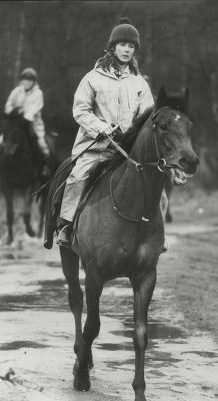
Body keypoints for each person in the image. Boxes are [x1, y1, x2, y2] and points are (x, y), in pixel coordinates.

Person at [57, 17, 155, 247]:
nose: (127, 50)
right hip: (96, 147)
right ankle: (67, 226)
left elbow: (148, 115)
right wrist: (101, 128)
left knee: (153, 181)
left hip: (127, 151)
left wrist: (136, 135)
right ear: (113, 46)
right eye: (123, 44)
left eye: (131, 46)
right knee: (77, 176)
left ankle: (154, 234)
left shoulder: (139, 83)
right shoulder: (93, 78)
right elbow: (80, 111)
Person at [0, 67, 50, 162]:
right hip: (15, 122)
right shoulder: (16, 91)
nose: (27, 82)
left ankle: (44, 166)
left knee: (42, 145)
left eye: (30, 80)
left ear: (34, 82)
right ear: (22, 80)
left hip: (33, 124)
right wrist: (12, 111)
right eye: (25, 80)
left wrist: (25, 115)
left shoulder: (38, 93)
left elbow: (34, 109)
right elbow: (9, 104)